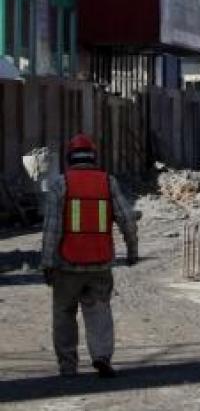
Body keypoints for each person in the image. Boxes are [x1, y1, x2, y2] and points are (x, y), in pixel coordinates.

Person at [41, 133, 138, 379]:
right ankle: (102, 356)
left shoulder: (60, 184)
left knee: (64, 314)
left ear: (69, 158)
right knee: (99, 310)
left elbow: (52, 229)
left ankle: (68, 365)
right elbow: (127, 219)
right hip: (100, 263)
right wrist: (132, 250)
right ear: (94, 157)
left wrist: (48, 263)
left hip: (67, 265)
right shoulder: (108, 182)